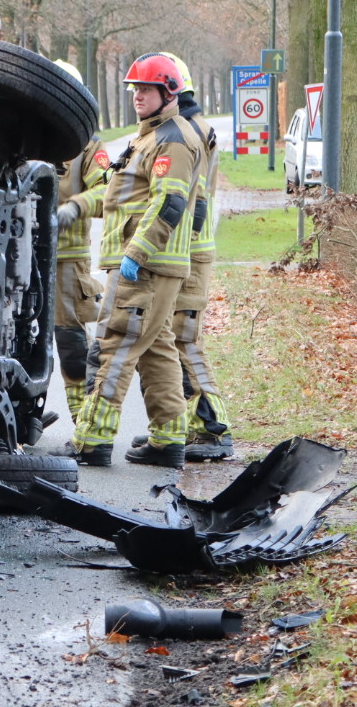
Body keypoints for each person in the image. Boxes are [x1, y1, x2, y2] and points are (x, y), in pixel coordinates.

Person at [70, 53, 205, 469]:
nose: (136, 96)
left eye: (145, 89)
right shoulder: (151, 135)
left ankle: (91, 439)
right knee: (157, 349)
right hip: (153, 267)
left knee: (114, 346)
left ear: (169, 92)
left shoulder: (172, 139)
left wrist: (136, 253)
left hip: (144, 267)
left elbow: (171, 200)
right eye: (134, 89)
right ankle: (168, 439)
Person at [152, 54, 234, 461]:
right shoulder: (191, 127)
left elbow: (188, 198)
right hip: (187, 247)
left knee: (184, 339)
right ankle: (186, 426)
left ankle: (214, 427)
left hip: (191, 249)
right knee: (171, 339)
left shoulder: (188, 132)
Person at [52, 60, 109, 419]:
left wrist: (74, 207)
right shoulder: (25, 140)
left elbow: (109, 193)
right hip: (16, 258)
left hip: (66, 263)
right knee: (15, 340)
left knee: (70, 342)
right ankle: (22, 414)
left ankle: (83, 418)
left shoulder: (88, 147)